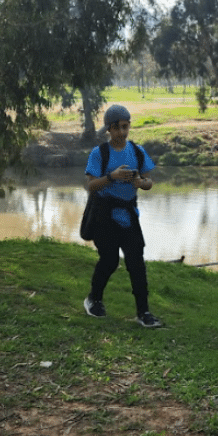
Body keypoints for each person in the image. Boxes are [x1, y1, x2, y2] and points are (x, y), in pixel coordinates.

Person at [82, 105, 162, 328]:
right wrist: (112, 176)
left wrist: (140, 183)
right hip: (104, 216)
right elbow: (91, 185)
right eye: (117, 128)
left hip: (129, 215)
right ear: (109, 129)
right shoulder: (100, 153)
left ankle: (143, 312)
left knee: (137, 263)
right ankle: (93, 300)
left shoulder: (137, 151)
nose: (122, 132)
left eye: (125, 127)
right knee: (109, 261)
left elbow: (149, 182)